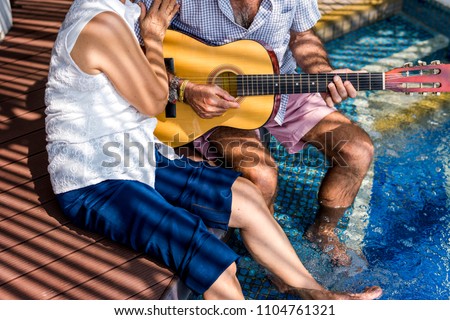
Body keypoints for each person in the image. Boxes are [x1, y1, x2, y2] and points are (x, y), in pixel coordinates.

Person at [45, 0, 382, 299]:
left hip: (140, 154)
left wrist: (322, 73)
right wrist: (167, 58)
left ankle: (317, 292)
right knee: (215, 251)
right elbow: (152, 97)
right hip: (97, 173)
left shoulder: (125, 11)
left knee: (253, 196)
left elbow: (303, 37)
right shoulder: (104, 21)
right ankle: (269, 278)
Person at [136, 0, 373, 266]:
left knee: (357, 150)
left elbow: (302, 36)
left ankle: (323, 231)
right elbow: (134, 50)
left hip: (280, 84)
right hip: (205, 102)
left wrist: (323, 74)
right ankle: (273, 256)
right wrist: (182, 88)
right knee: (262, 176)